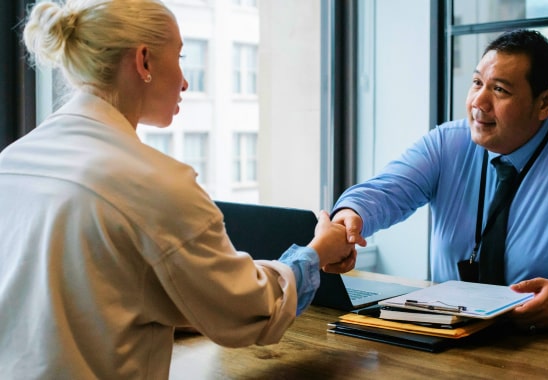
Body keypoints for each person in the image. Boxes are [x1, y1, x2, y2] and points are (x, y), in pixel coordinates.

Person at [0, 0, 356, 378]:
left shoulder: (13, 161)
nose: (185, 81)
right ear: (144, 61)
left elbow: (83, 297)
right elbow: (249, 310)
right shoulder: (154, 183)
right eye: (180, 57)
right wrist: (318, 252)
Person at [332, 29, 548, 330]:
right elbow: (385, 193)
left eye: (500, 90)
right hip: (450, 341)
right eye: (477, 83)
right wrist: (349, 217)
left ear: (546, 101)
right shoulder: (447, 143)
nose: (479, 102)